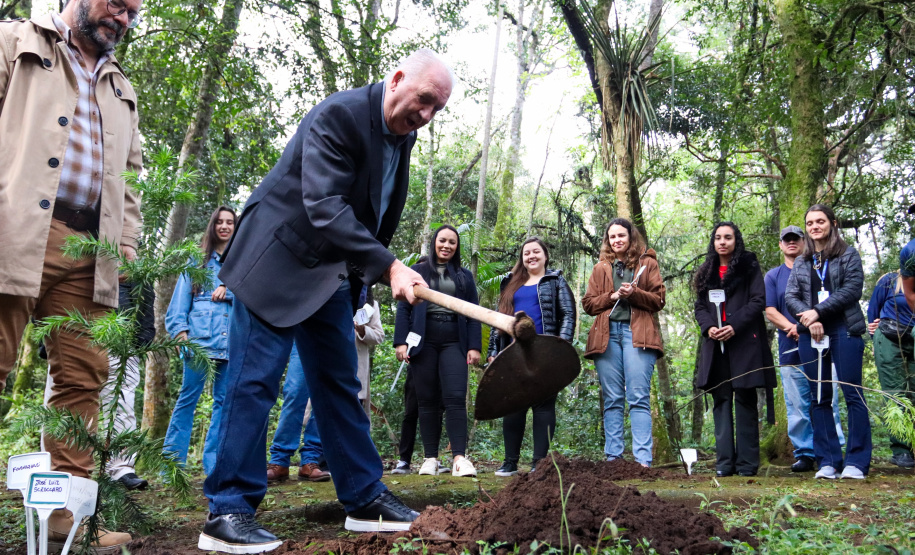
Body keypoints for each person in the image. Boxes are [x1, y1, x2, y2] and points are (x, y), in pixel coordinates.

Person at [199, 50, 453, 552]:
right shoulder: (340, 114)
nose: (425, 115)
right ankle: (227, 510)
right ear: (398, 79)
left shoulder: (404, 137)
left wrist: (362, 278)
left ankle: (363, 499)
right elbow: (324, 205)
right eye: (423, 101)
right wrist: (389, 264)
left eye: (436, 110)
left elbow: (372, 211)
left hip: (330, 277)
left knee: (339, 385)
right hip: (277, 263)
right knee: (253, 383)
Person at [0, 0, 143, 547]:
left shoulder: (121, 88)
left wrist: (125, 242)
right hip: (15, 231)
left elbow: (129, 178)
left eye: (133, 13)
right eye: (116, 5)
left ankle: (67, 518)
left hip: (93, 248)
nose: (123, 19)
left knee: (83, 378)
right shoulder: (16, 44)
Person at [41, 281, 155, 491]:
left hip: (121, 338)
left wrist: (141, 339)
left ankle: (121, 468)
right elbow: (45, 289)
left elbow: (143, 290)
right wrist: (44, 341)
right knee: (59, 402)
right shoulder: (68, 253)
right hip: (69, 334)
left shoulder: (126, 254)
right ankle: (52, 466)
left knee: (122, 402)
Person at [786, 204, 871, 479]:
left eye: (820, 221)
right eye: (810, 223)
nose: (814, 227)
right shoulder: (802, 260)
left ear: (832, 223)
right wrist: (811, 320)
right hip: (812, 334)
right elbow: (791, 296)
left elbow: (852, 290)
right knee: (819, 396)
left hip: (845, 329)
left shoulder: (848, 254)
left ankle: (856, 462)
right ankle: (828, 461)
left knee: (851, 393)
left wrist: (819, 311)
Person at [394, 225, 482, 477]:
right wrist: (401, 341)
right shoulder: (417, 271)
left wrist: (474, 346)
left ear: (457, 247)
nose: (446, 246)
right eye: (442, 240)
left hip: (455, 340)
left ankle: (459, 459)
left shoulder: (464, 277)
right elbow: (404, 308)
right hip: (424, 340)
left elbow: (474, 313)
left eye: (452, 242)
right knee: (426, 400)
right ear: (434, 242)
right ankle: (430, 458)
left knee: (455, 398)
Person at [694, 222, 775, 478]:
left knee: (745, 400)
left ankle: (747, 464)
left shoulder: (749, 266)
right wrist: (709, 328)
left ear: (735, 240)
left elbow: (758, 301)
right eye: (718, 238)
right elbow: (700, 307)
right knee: (721, 400)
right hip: (715, 343)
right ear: (713, 242)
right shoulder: (707, 271)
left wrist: (733, 326)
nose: (722, 242)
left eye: (727, 237)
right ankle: (724, 463)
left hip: (744, 342)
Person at [489, 237, 576, 476]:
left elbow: (568, 314)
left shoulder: (555, 281)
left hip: (546, 351)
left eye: (536, 252)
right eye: (526, 253)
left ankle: (539, 462)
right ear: (522, 258)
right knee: (513, 405)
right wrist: (493, 352)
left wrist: (561, 346)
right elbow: (498, 318)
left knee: (543, 406)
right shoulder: (510, 283)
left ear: (545, 256)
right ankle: (510, 462)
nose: (531, 256)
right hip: (513, 354)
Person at [582, 218, 665, 468]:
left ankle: (642, 461)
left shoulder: (647, 263)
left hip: (637, 335)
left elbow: (659, 300)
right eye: (612, 237)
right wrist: (614, 296)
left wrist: (634, 294)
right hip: (607, 335)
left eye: (622, 236)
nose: (617, 240)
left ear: (631, 237)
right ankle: (614, 459)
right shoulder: (601, 268)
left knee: (639, 397)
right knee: (613, 398)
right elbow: (588, 304)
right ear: (608, 241)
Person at [765, 225, 845, 473]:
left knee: (828, 399)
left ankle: (833, 450)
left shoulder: (818, 268)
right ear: (780, 245)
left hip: (823, 343)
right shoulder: (773, 276)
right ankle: (805, 453)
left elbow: (831, 300)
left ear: (805, 242)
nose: (791, 243)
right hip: (790, 346)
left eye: (796, 239)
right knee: (797, 403)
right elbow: (769, 310)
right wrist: (794, 327)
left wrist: (808, 325)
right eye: (786, 240)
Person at [163, 206, 236, 474]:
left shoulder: (241, 263)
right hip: (200, 341)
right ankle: (172, 465)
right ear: (213, 226)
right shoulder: (197, 261)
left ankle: (214, 466)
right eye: (220, 222)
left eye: (230, 222)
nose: (225, 226)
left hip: (231, 344)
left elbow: (255, 297)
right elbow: (179, 301)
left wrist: (229, 290)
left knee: (223, 402)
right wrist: (180, 333)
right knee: (187, 399)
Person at [867, 238, 915, 468]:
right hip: (890, 339)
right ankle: (901, 448)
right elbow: (872, 313)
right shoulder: (887, 281)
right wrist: (871, 328)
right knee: (896, 393)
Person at [265, 344, 331, 483]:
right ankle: (279, 460)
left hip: (330, 334)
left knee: (323, 397)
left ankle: (310, 460)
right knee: (295, 392)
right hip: (300, 328)